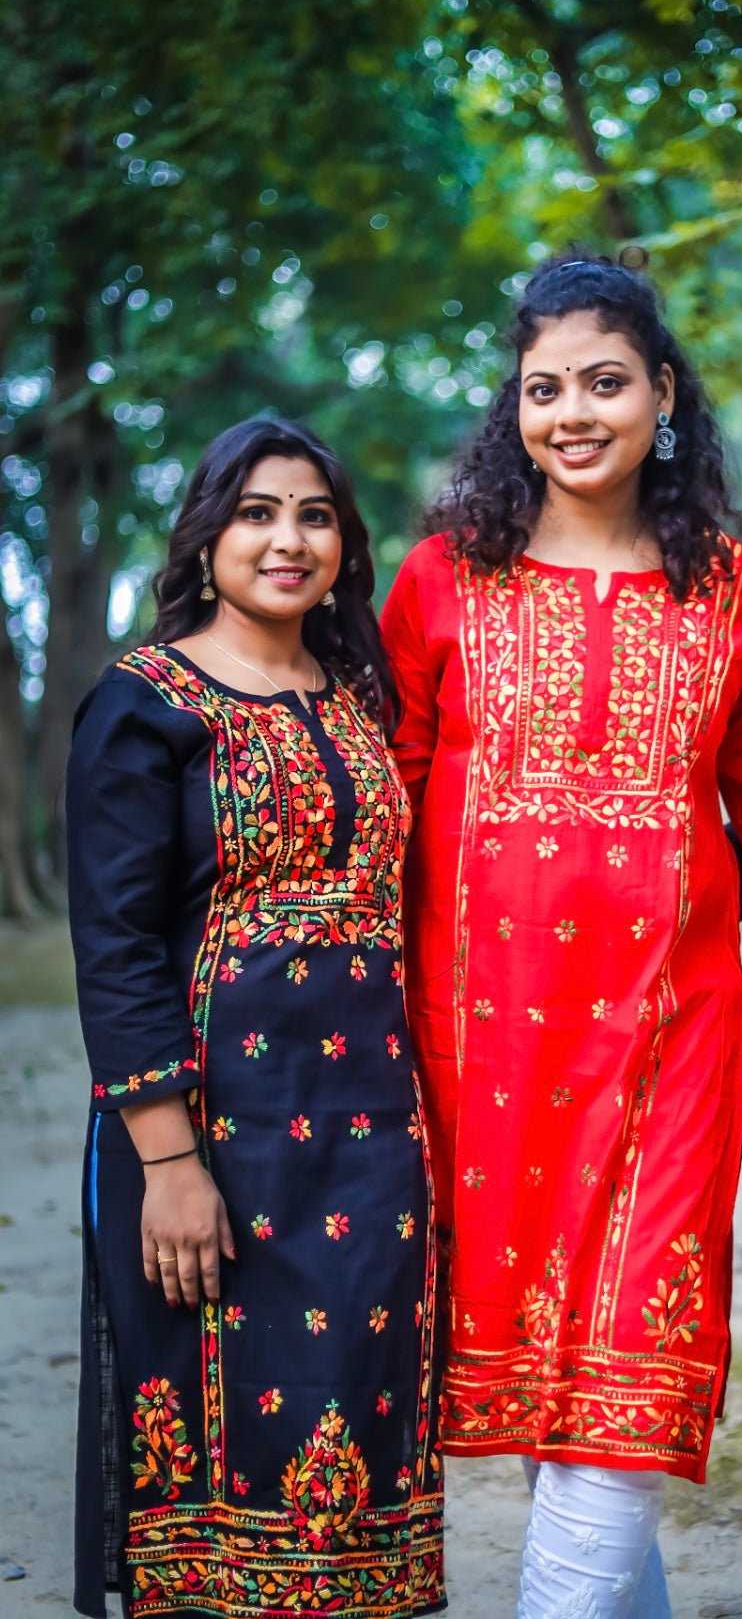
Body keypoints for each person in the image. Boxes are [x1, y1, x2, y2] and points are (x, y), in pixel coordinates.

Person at [380, 253, 742, 1618]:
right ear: (513, 406)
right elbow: (381, 794)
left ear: (659, 395)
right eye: (542, 385)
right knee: (570, 1411)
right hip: (474, 1058)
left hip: (671, 1050)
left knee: (624, 1387)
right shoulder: (440, 575)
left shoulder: (733, 589)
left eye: (603, 381)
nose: (571, 410)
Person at [68, 418, 443, 1619]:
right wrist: (169, 1165)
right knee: (228, 1485)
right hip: (212, 1149)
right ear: (209, 532)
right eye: (258, 512)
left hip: (375, 1142)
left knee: (361, 1454)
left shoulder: (361, 695)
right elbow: (116, 950)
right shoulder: (146, 701)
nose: (289, 539)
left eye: (315, 514)